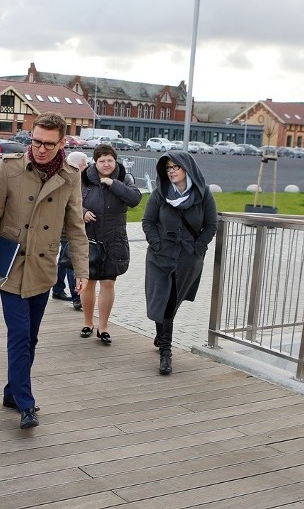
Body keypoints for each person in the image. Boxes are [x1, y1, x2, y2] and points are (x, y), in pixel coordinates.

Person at [0, 111, 90, 429]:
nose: (39, 149)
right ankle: (26, 404)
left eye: (48, 144)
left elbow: (76, 227)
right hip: (11, 265)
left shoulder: (70, 176)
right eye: (36, 141)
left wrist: (82, 269)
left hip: (43, 267)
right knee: (19, 335)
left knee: (32, 338)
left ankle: (12, 392)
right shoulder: (11, 167)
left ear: (62, 143)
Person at [142, 152, 217, 375]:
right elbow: (148, 222)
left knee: (173, 300)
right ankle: (166, 353)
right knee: (164, 301)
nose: (172, 171)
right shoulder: (160, 193)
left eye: (176, 167)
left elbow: (211, 225)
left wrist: (197, 249)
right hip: (160, 257)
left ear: (187, 168)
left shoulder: (203, 194)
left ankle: (162, 331)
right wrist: (157, 245)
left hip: (187, 258)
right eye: (168, 168)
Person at [79, 144, 142, 344]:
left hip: (114, 240)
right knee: (88, 283)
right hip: (89, 239)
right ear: (95, 162)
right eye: (102, 161)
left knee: (108, 282)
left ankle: (103, 327)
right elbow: (70, 202)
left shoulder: (124, 178)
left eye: (110, 160)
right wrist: (82, 212)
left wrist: (111, 183)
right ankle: (88, 322)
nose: (106, 164)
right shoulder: (84, 179)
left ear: (115, 161)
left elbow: (134, 199)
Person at [51, 151, 89, 310]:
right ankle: (77, 297)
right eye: (85, 163)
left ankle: (58, 289)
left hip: (61, 227)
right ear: (79, 165)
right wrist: (84, 211)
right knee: (71, 261)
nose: (87, 166)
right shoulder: (72, 179)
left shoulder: (68, 176)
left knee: (63, 260)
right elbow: (72, 204)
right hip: (67, 228)